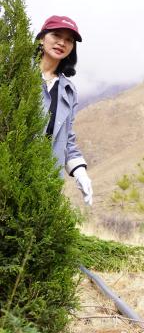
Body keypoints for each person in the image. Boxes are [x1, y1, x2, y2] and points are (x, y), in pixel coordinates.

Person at [36, 15, 92, 206]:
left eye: (69, 40)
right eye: (56, 35)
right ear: (42, 38)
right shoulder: (17, 73)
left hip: (45, 182)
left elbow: (66, 139)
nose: (62, 42)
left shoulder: (68, 91)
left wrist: (80, 173)